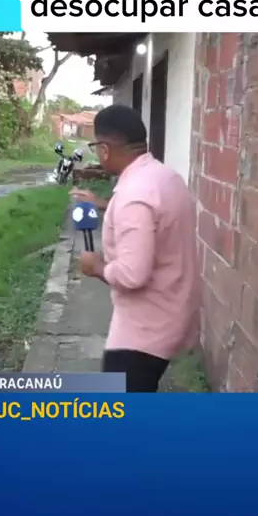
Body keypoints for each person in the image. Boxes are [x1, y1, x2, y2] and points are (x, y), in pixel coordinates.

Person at [71, 104, 200, 393]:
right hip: (172, 311)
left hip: (144, 331)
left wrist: (97, 267)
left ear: (104, 149)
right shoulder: (165, 177)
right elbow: (149, 216)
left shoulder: (133, 196)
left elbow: (133, 274)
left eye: (96, 147)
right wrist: (105, 205)